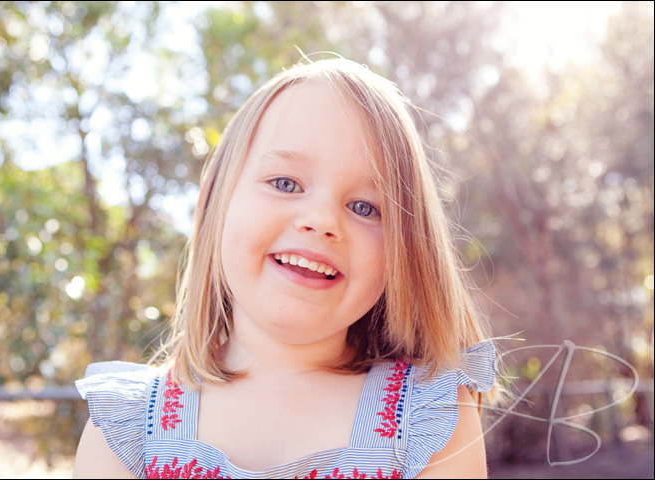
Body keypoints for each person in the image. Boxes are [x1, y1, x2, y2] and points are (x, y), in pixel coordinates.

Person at [73, 57, 498, 479]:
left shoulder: (430, 422)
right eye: (285, 183)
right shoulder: (126, 432)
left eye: (365, 207)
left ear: (403, 251)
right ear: (210, 204)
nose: (322, 220)